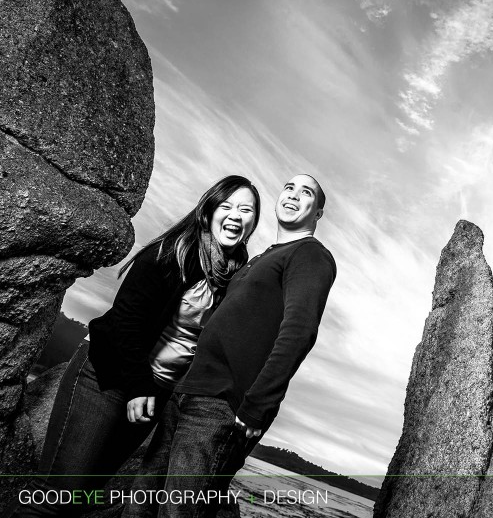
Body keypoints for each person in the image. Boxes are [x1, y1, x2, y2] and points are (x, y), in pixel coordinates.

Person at [17, 175, 261, 518]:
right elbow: (126, 323)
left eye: (246, 209)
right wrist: (139, 386)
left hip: (153, 394)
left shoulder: (234, 279)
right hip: (109, 376)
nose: (236, 214)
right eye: (227, 205)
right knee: (59, 498)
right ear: (208, 212)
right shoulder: (171, 253)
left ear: (252, 222)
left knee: (84, 500)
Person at [125, 174, 336, 518]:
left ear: (319, 212)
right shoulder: (260, 258)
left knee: (178, 513)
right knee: (140, 504)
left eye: (307, 192)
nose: (294, 195)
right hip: (186, 392)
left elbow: (299, 331)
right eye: (289, 187)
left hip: (221, 405)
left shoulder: (310, 255)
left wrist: (257, 405)